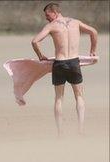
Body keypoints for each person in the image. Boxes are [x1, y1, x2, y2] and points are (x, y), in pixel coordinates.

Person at [31, 3, 98, 136]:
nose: (46, 18)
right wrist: (92, 51)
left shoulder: (51, 26)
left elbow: (34, 41)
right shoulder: (75, 22)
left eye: (47, 15)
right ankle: (81, 130)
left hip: (60, 64)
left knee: (59, 98)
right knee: (79, 96)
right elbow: (94, 32)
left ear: (54, 12)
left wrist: (40, 56)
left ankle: (60, 132)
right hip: (74, 63)